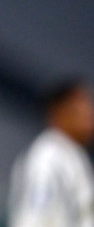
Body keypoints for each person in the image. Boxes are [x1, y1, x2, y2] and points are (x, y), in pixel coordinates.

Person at [8, 78, 94, 226]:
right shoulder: (46, 158)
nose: (89, 115)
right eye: (81, 108)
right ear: (59, 112)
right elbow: (33, 218)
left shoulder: (72, 154)